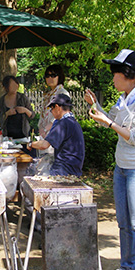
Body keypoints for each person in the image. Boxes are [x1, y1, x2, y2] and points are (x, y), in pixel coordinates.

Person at [84, 49, 135, 270]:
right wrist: (95, 105)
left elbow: (132, 137)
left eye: (116, 73)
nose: (113, 77)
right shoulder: (122, 99)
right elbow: (108, 120)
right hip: (120, 168)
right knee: (123, 223)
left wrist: (111, 124)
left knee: (134, 223)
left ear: (129, 74)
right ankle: (126, 265)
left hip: (134, 169)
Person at [27, 93, 85, 177]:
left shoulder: (63, 123)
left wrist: (31, 144)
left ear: (57, 107)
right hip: (74, 169)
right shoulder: (74, 122)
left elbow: (44, 145)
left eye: (51, 109)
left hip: (63, 170)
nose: (51, 112)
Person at [38, 64, 69, 139]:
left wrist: (45, 129)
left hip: (55, 134)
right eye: (47, 76)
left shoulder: (62, 93)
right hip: (44, 134)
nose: (50, 78)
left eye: (53, 75)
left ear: (59, 76)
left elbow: (59, 116)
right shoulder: (48, 95)